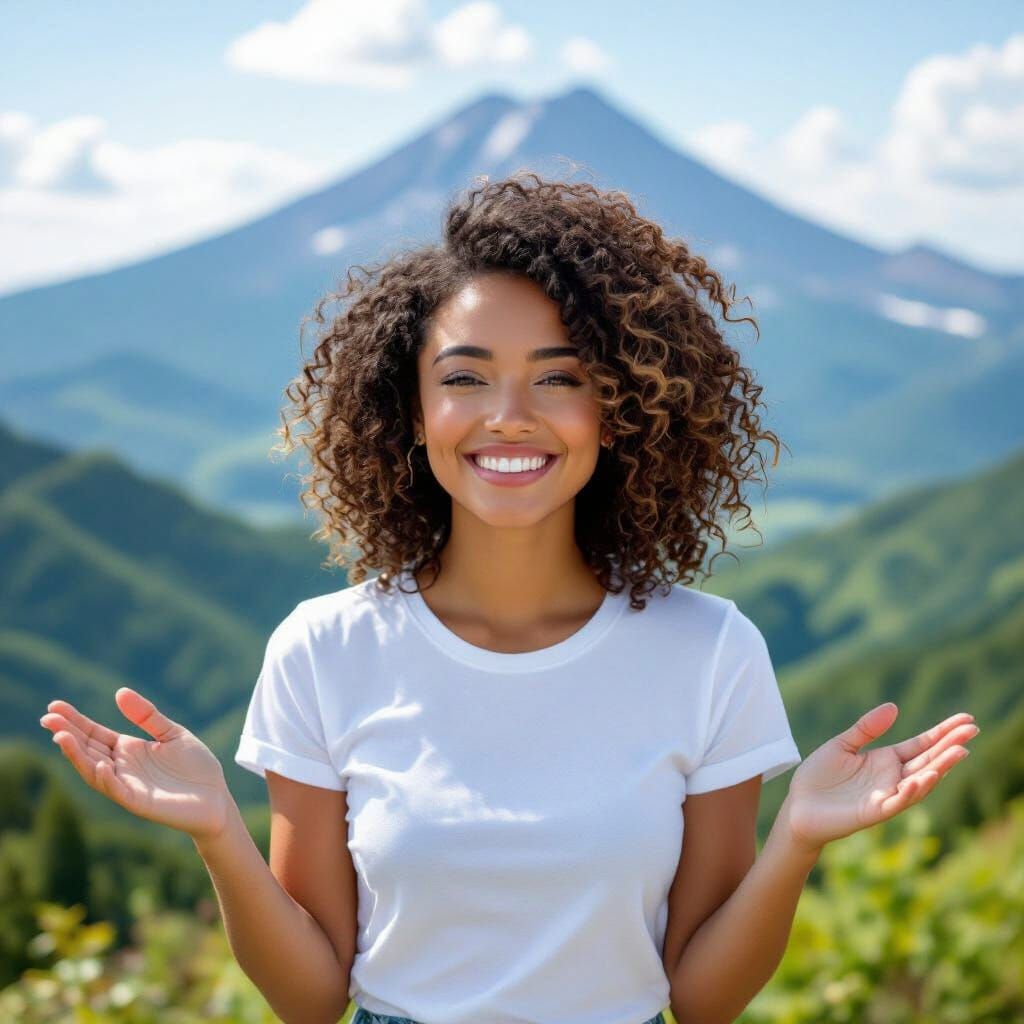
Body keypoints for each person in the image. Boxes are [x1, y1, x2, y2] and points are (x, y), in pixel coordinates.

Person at [40, 172, 979, 1024]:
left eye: (559, 377)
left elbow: (701, 997)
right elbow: (313, 994)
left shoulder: (712, 651)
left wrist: (798, 841)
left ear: (618, 405)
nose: (510, 415)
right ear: (412, 411)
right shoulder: (322, 650)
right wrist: (217, 832)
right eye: (465, 377)